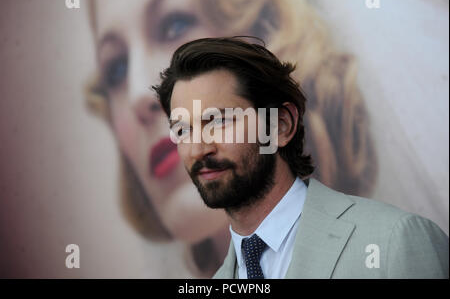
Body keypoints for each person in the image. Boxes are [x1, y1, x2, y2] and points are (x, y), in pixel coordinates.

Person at [84, 0, 377, 277]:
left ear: (267, 33)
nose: (138, 94)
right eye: (116, 68)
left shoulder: (386, 251)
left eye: (174, 24)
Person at [153, 36, 449, 279]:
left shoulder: (394, 241)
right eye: (182, 129)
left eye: (218, 121)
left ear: (281, 125)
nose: (197, 149)